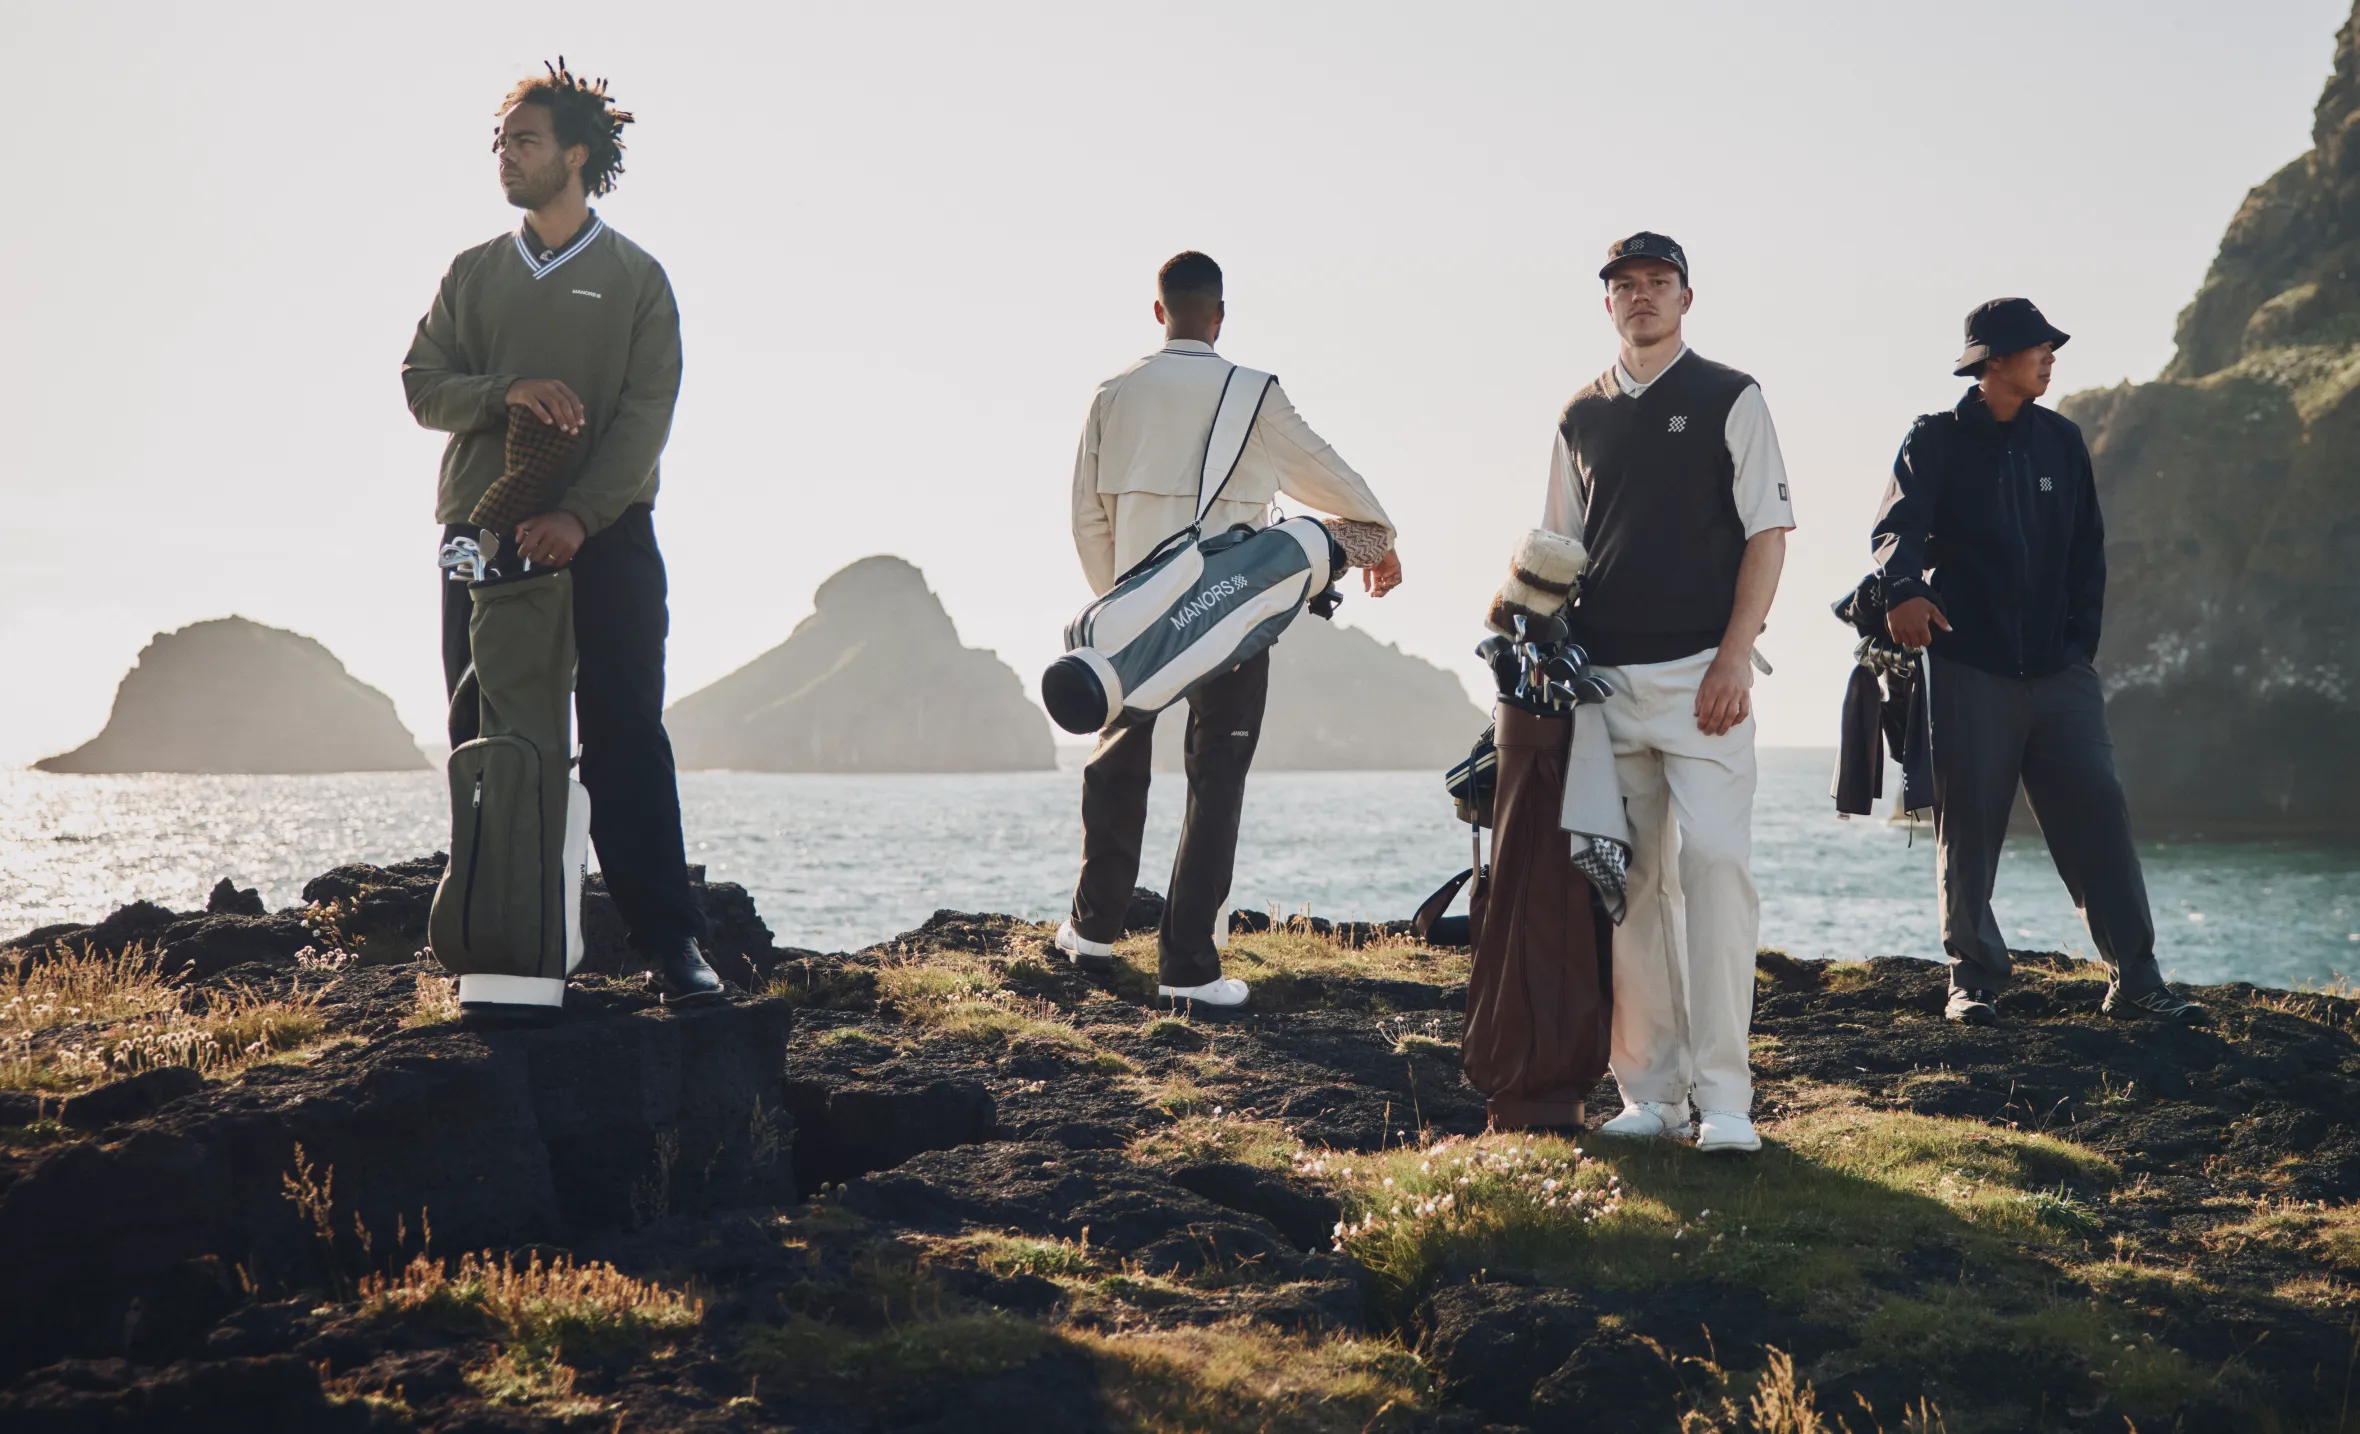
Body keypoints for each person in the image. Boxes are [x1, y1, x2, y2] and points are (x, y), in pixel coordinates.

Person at [401, 60, 721, 1004]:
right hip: (481, 530)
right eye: (500, 142)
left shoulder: (635, 279)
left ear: (575, 155)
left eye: (524, 141)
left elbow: (646, 414)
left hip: (609, 536)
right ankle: (493, 939)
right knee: (487, 732)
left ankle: (670, 943)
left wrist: (578, 516)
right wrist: (507, 390)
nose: (506, 156)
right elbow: (422, 386)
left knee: (622, 729)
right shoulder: (472, 273)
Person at [1057, 251, 1404, 1008]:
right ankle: (1189, 969)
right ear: (1220, 315)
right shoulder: (1253, 394)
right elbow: (1332, 477)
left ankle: (1091, 935)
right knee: (1215, 779)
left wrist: (1125, 608)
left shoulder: (1114, 394)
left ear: (1159, 313)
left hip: (1131, 627)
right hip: (1230, 621)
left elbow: (1086, 514)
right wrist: (1382, 533)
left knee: (1115, 769)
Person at [1872, 298, 2207, 1028]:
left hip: (2060, 675)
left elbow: (2089, 552)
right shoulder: (1933, 440)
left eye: (2052, 346)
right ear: (1994, 361)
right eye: (2037, 348)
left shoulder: (2060, 441)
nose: (2051, 356)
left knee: (2099, 815)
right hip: (1971, 668)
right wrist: (1901, 591)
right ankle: (1973, 981)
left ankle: (2137, 979)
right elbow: (1899, 527)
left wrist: (2077, 645)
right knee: (1969, 830)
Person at [1542, 232, 1795, 1154]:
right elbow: (1556, 553)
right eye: (1624, 286)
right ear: (1606, 304)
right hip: (1605, 688)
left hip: (1704, 684)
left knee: (1718, 868)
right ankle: (1651, 1091)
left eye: (1658, 284)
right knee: (1632, 890)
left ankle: (1727, 1103)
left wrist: (1735, 657)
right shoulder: (1580, 414)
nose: (1640, 297)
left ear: (1687, 298)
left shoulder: (1731, 395)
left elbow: (1768, 533)